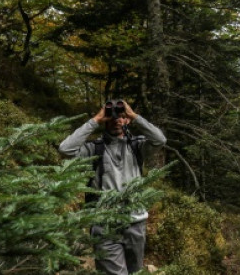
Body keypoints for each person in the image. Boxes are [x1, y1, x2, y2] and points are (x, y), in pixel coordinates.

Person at [59, 101, 167, 275]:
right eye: (112, 117)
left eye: (121, 117)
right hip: (104, 225)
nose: (117, 120)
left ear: (127, 121)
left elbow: (160, 139)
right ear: (105, 121)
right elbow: (65, 149)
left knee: (135, 272)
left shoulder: (137, 146)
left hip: (136, 222)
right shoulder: (94, 149)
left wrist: (134, 116)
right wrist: (95, 120)